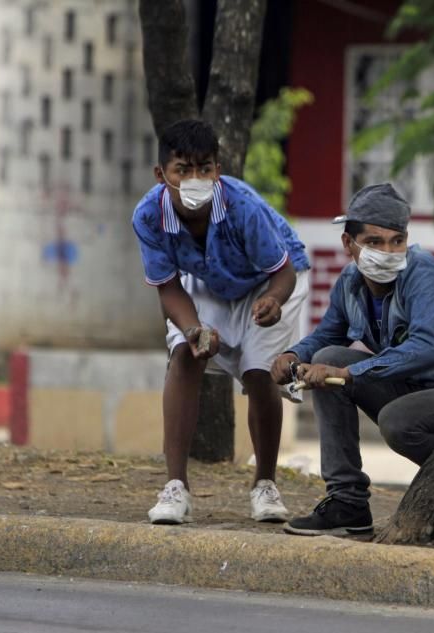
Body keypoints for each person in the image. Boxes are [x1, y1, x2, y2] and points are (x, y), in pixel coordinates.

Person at [132, 119, 310, 525]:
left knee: (259, 372)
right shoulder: (148, 216)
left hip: (272, 281)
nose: (195, 180)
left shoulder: (241, 206)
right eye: (183, 170)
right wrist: (194, 329)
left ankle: (265, 483)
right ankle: (176, 487)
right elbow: (168, 287)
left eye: (205, 169)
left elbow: (282, 271)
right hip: (209, 281)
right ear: (162, 175)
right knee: (184, 354)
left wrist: (273, 300)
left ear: (218, 168)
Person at [271, 183, 434, 536]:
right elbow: (329, 335)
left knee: (397, 420)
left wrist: (351, 372)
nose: (387, 251)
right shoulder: (351, 282)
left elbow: (428, 346)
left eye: (396, 241)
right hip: (407, 387)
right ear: (348, 244)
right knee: (325, 358)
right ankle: (347, 501)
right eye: (374, 242)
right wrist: (295, 355)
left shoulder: (425, 274)